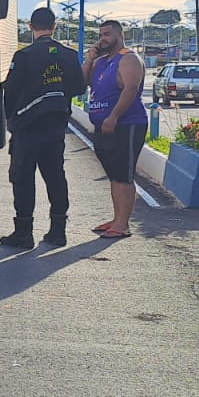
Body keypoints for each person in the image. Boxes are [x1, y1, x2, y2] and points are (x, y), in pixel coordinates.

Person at [0, 7, 84, 249]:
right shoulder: (69, 55)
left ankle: (24, 233)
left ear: (30, 27)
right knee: (56, 177)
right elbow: (79, 88)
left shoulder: (24, 56)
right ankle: (58, 231)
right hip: (56, 125)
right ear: (55, 26)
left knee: (23, 178)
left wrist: (11, 121)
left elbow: (10, 92)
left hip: (27, 127)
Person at [82, 19, 148, 238]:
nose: (103, 38)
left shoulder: (128, 59)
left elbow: (130, 89)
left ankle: (123, 224)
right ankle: (116, 218)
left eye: (107, 34)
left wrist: (113, 116)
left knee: (123, 175)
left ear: (120, 35)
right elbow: (84, 83)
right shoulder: (101, 61)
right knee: (114, 175)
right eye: (101, 34)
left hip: (126, 124)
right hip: (104, 126)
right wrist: (90, 59)